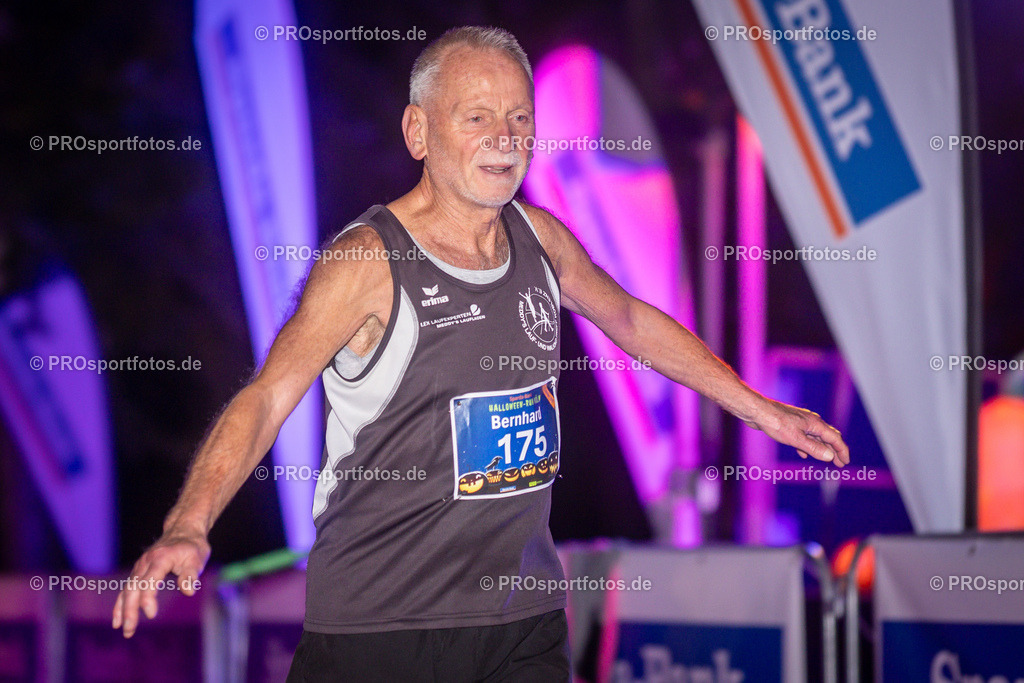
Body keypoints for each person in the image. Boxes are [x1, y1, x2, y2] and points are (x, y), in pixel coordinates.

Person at [112, 25, 849, 681]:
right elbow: (267, 395)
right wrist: (189, 523)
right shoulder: (368, 261)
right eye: (477, 118)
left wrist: (765, 411)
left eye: (519, 117)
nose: (506, 136)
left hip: (521, 625)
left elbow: (628, 318)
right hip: (382, 632)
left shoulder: (542, 238)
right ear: (418, 132)